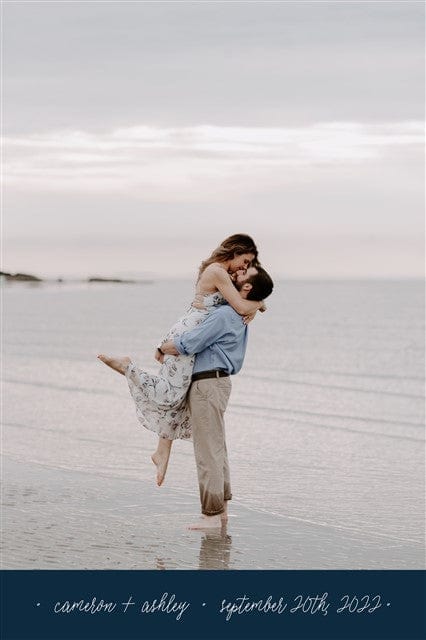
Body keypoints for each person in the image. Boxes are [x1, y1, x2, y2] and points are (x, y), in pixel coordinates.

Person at [97, 234, 266, 486]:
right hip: (188, 337)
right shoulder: (217, 271)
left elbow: (247, 299)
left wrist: (256, 303)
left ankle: (162, 452)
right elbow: (242, 307)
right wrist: (257, 304)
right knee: (169, 394)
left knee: (178, 396)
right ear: (234, 251)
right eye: (245, 260)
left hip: (194, 337)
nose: (245, 266)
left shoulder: (227, 275)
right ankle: (127, 367)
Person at [159, 265, 274, 529]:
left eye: (245, 274)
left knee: (207, 450)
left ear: (246, 288)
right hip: (219, 382)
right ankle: (221, 511)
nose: (237, 273)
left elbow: (192, 341)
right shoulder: (240, 315)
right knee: (217, 448)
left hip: (208, 383)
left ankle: (210, 515)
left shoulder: (225, 314)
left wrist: (163, 347)